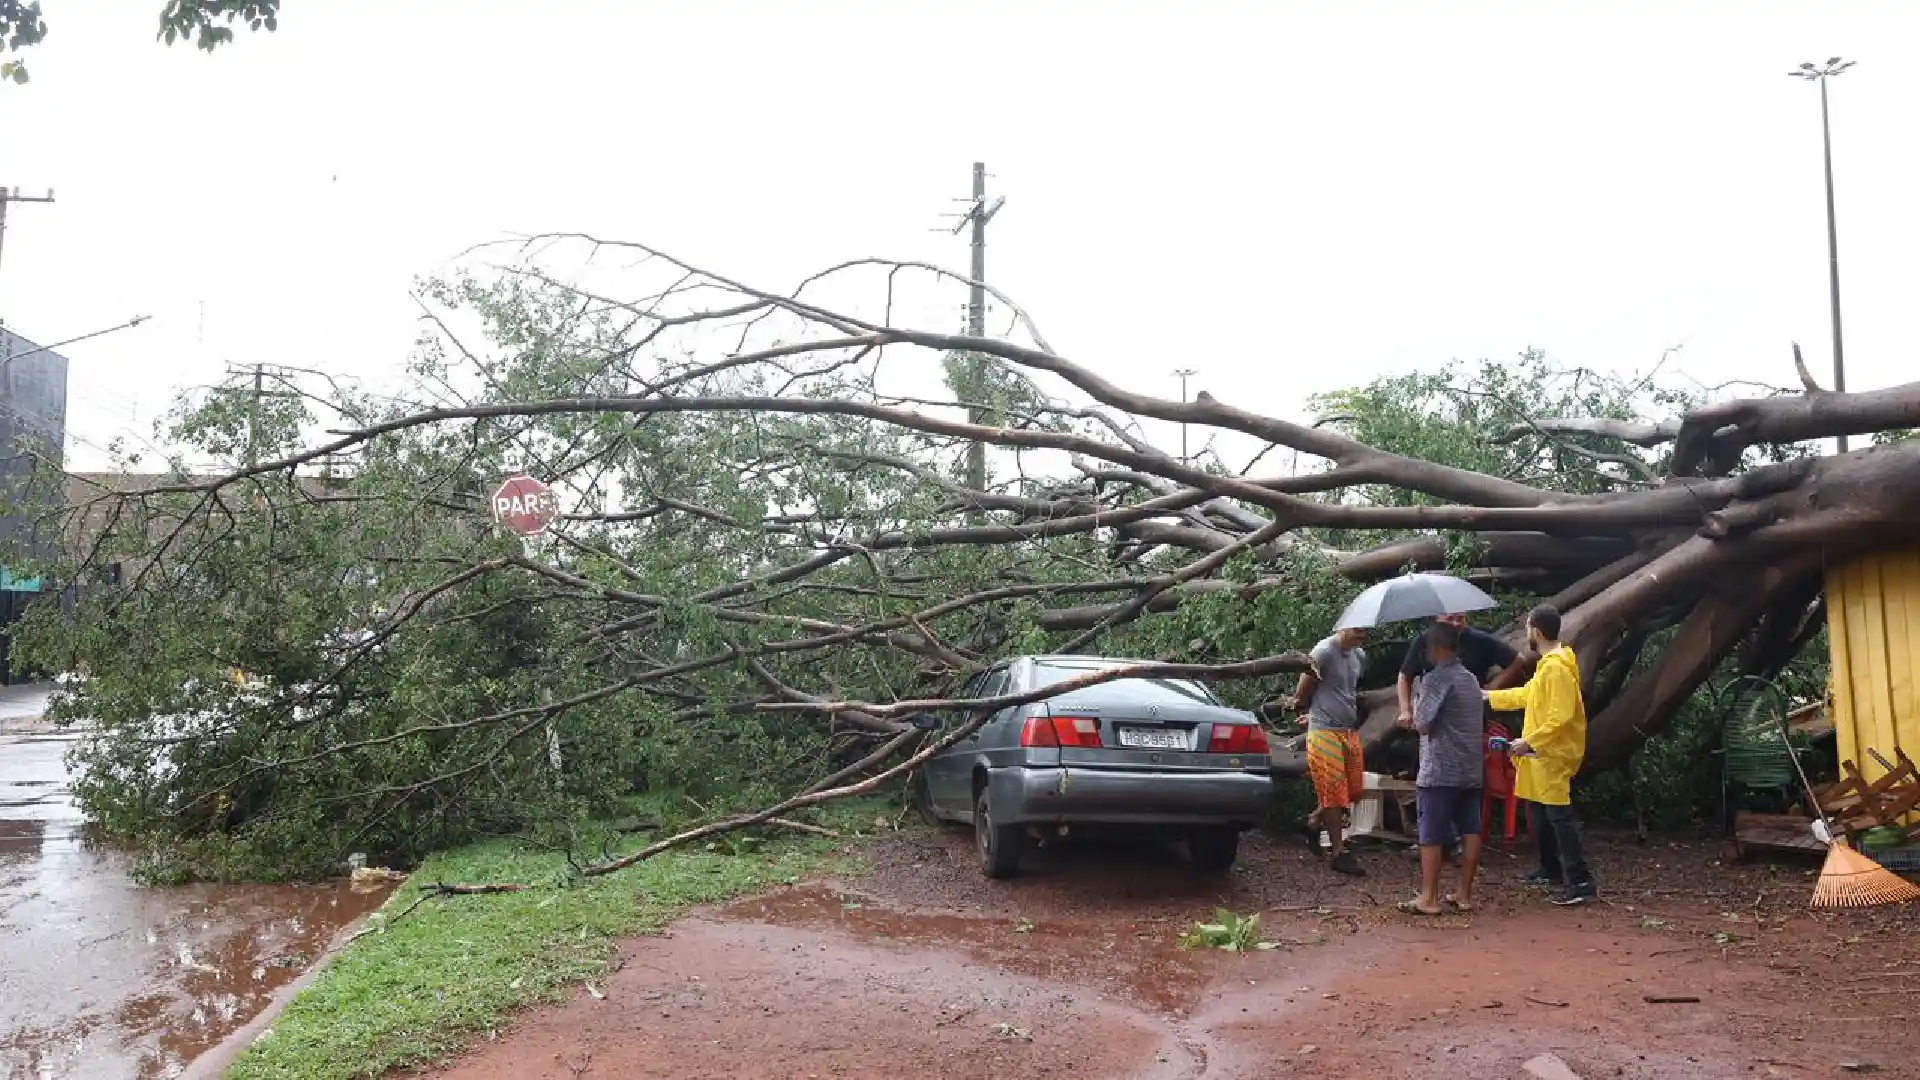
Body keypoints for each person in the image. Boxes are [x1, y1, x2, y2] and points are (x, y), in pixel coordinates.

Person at [1484, 604, 1597, 906]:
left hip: (1552, 754)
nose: (1526, 634)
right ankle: (1550, 868)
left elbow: (1560, 717)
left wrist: (1529, 741)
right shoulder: (1548, 665)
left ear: (1536, 630)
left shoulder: (1557, 668)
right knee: (1538, 813)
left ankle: (1581, 880)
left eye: (1527, 628)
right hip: (1538, 754)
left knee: (1559, 817)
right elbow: (1526, 695)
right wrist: (1486, 697)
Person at [1396, 611, 1528, 859]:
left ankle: (1454, 841)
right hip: (1435, 725)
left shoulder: (1476, 644)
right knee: (1431, 777)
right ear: (1437, 619)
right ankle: (1442, 838)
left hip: (1467, 723)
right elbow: (1405, 675)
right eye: (1451, 619)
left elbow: (1517, 659)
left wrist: (1491, 689)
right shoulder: (1425, 644)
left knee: (1463, 780)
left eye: (1461, 619)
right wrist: (1406, 709)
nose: (1457, 624)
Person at [1399, 621, 1486, 915]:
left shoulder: (1436, 679)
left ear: (1434, 648)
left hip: (1440, 769)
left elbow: (1422, 724)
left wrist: (1416, 697)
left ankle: (1429, 898)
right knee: (1471, 829)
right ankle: (1463, 894)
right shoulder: (1471, 679)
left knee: (1431, 832)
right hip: (1471, 767)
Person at [1290, 624, 1371, 876]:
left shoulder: (1359, 655)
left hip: (1347, 729)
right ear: (1343, 626)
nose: (1362, 636)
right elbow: (1303, 689)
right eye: (1358, 630)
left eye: (1366, 631)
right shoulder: (1324, 651)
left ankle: (1313, 820)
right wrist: (1306, 712)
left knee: (1354, 790)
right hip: (1324, 729)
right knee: (1335, 792)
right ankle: (1339, 852)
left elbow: (1346, 690)